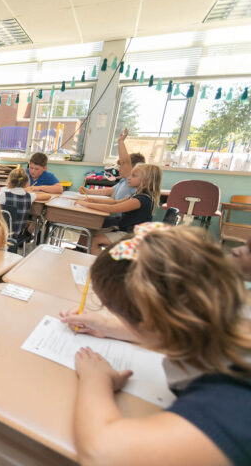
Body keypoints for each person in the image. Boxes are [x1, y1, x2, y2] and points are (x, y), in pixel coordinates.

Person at [59, 224, 251, 466]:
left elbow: (103, 453)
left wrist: (96, 380)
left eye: (121, 317)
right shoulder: (231, 310)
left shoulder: (232, 401)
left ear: (152, 322)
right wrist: (110, 326)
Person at [76, 163, 161, 255]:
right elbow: (115, 202)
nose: (129, 178)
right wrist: (92, 200)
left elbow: (113, 208)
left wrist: (86, 204)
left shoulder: (140, 200)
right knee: (90, 227)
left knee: (95, 241)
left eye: (134, 176)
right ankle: (80, 253)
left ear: (146, 181)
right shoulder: (137, 195)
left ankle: (100, 266)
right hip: (126, 229)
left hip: (132, 235)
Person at [80, 128, 144, 202]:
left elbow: (125, 162)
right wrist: (89, 191)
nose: (119, 169)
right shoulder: (123, 181)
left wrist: (120, 142)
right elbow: (110, 191)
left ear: (133, 170)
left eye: (121, 167)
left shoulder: (131, 181)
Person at [0, 167, 51, 238]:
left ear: (9, 183)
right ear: (27, 184)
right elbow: (47, 196)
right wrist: (27, 190)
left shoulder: (4, 195)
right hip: (18, 233)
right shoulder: (30, 196)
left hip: (1, 233)